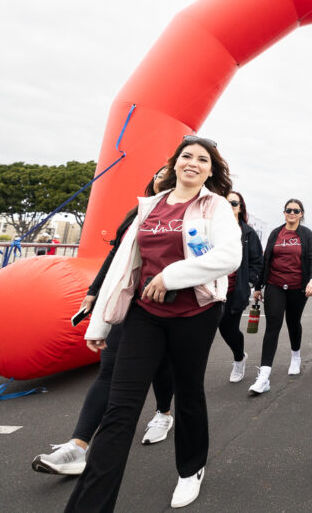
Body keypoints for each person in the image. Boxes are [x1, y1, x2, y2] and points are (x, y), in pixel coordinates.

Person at [66, 136, 241, 510]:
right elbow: (122, 267)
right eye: (186, 156)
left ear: (211, 170)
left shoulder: (216, 207)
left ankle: (191, 469)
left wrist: (173, 275)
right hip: (144, 314)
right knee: (119, 410)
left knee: (188, 392)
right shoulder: (150, 207)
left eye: (202, 159)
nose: (193, 162)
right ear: (175, 163)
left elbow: (230, 256)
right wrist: (99, 324)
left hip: (195, 313)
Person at [32, 167, 178, 477]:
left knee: (162, 367)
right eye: (158, 172)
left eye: (170, 171)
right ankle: (78, 446)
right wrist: (93, 292)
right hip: (127, 304)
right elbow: (115, 257)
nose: (163, 175)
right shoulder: (136, 212)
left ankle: (164, 413)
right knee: (109, 370)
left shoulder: (184, 212)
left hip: (165, 306)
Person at [248, 198, 312, 394]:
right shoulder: (276, 233)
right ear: (284, 212)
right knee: (272, 326)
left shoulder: (306, 235)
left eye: (296, 210)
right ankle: (264, 376)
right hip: (275, 285)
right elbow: (266, 260)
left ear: (301, 214)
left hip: (298, 287)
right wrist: (257, 286)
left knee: (293, 322)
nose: (292, 213)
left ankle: (295, 355)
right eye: (289, 210)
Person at [218, 191, 264, 382]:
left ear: (240, 207)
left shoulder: (247, 233)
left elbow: (257, 261)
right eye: (226, 203)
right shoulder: (213, 229)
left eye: (234, 203)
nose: (230, 207)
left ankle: (239, 358)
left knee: (228, 329)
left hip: (234, 291)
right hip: (210, 290)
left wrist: (248, 282)